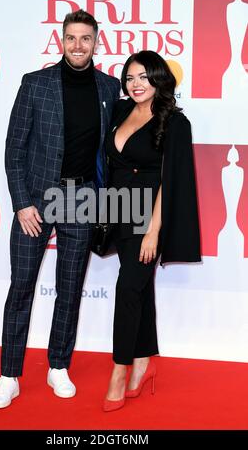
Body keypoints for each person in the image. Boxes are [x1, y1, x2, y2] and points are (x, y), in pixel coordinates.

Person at [0, 9, 120, 408]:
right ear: (61, 41)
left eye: (86, 38)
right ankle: (9, 375)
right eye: (71, 38)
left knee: (69, 290)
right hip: (36, 201)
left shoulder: (110, 88)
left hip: (81, 199)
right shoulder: (35, 84)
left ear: (97, 42)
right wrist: (22, 203)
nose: (78, 45)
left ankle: (58, 366)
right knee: (22, 287)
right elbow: (14, 148)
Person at [103, 50, 201, 412]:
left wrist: (152, 232)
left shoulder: (175, 122)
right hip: (117, 212)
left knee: (128, 287)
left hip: (149, 217)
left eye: (143, 76)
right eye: (129, 78)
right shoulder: (118, 111)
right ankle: (144, 361)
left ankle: (119, 369)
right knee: (139, 288)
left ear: (159, 78)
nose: (135, 84)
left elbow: (168, 179)